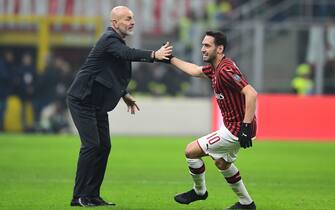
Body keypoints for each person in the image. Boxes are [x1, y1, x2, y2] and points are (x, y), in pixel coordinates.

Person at [66, 6, 172, 207]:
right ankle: (78, 196)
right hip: (82, 100)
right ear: (114, 23)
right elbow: (127, 54)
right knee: (91, 146)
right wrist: (154, 55)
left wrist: (124, 94)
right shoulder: (109, 40)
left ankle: (92, 195)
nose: (131, 22)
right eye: (127, 19)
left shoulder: (114, 42)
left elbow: (108, 72)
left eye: (132, 18)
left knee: (104, 146)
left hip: (96, 103)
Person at [168, 31, 257, 209]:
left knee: (190, 151)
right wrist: (169, 59)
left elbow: (251, 93)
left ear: (220, 48)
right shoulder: (216, 68)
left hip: (236, 129)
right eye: (202, 45)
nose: (202, 49)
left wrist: (245, 127)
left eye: (207, 45)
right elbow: (194, 70)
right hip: (237, 127)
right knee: (222, 163)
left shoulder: (225, 70)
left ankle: (199, 191)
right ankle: (246, 204)